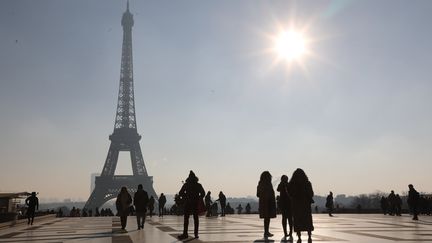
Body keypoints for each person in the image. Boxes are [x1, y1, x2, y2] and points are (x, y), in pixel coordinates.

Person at [177, 170, 205, 240]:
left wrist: (186, 196)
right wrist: (199, 197)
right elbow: (203, 193)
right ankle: (196, 234)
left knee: (186, 218)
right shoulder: (198, 185)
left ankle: (185, 233)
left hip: (188, 203)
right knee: (196, 219)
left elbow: (180, 193)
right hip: (195, 203)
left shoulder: (186, 185)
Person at [289, 168, 314, 243]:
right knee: (307, 221)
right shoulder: (307, 183)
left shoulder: (292, 184)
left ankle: (299, 237)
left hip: (296, 205)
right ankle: (309, 236)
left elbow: (290, 194)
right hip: (305, 204)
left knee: (297, 220)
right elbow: (311, 193)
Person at [257, 171, 277, 238]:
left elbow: (258, 194)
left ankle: (266, 231)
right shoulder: (268, 183)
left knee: (266, 218)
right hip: (268, 203)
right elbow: (270, 193)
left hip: (264, 203)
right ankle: (266, 232)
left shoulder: (260, 183)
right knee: (267, 218)